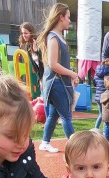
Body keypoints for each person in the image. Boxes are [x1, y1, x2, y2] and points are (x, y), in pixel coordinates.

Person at [37, 3, 79, 153]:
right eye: (68, 17)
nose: (69, 20)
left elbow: (57, 64)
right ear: (61, 17)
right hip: (56, 83)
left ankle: (45, 142)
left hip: (57, 83)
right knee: (66, 117)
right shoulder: (53, 38)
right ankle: (77, 150)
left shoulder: (57, 36)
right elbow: (53, 64)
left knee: (54, 115)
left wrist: (70, 74)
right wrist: (72, 73)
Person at [19, 22, 44, 88]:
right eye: (22, 33)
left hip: (47, 74)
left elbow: (44, 61)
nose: (24, 35)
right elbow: (35, 66)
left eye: (26, 33)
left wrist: (37, 51)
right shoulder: (28, 46)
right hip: (42, 77)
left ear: (31, 33)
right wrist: (40, 80)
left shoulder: (39, 42)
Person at [93, 57, 109, 130]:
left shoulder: (96, 72)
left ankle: (96, 128)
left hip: (98, 96)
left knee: (101, 114)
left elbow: (94, 83)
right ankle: (104, 131)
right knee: (106, 115)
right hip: (106, 97)